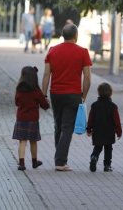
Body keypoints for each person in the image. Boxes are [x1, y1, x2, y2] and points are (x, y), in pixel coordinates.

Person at [42, 23, 92, 171]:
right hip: (73, 94)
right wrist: (84, 95)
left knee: (58, 126)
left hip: (55, 94)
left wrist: (43, 94)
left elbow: (46, 75)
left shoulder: (52, 51)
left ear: (63, 36)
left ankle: (59, 157)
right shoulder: (82, 52)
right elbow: (87, 77)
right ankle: (60, 162)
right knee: (67, 127)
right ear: (76, 36)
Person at [13, 66, 50, 171]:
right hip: (33, 120)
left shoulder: (19, 89)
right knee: (33, 141)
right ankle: (34, 162)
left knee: (22, 142)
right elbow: (45, 106)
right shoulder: (36, 91)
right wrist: (46, 102)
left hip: (21, 118)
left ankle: (21, 163)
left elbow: (16, 102)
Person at [87, 83, 122, 172]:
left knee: (97, 147)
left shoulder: (94, 105)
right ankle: (107, 166)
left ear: (99, 93)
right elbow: (117, 120)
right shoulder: (113, 106)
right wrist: (119, 131)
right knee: (108, 148)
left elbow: (91, 118)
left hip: (97, 130)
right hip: (109, 131)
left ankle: (94, 157)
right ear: (110, 93)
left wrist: (89, 129)